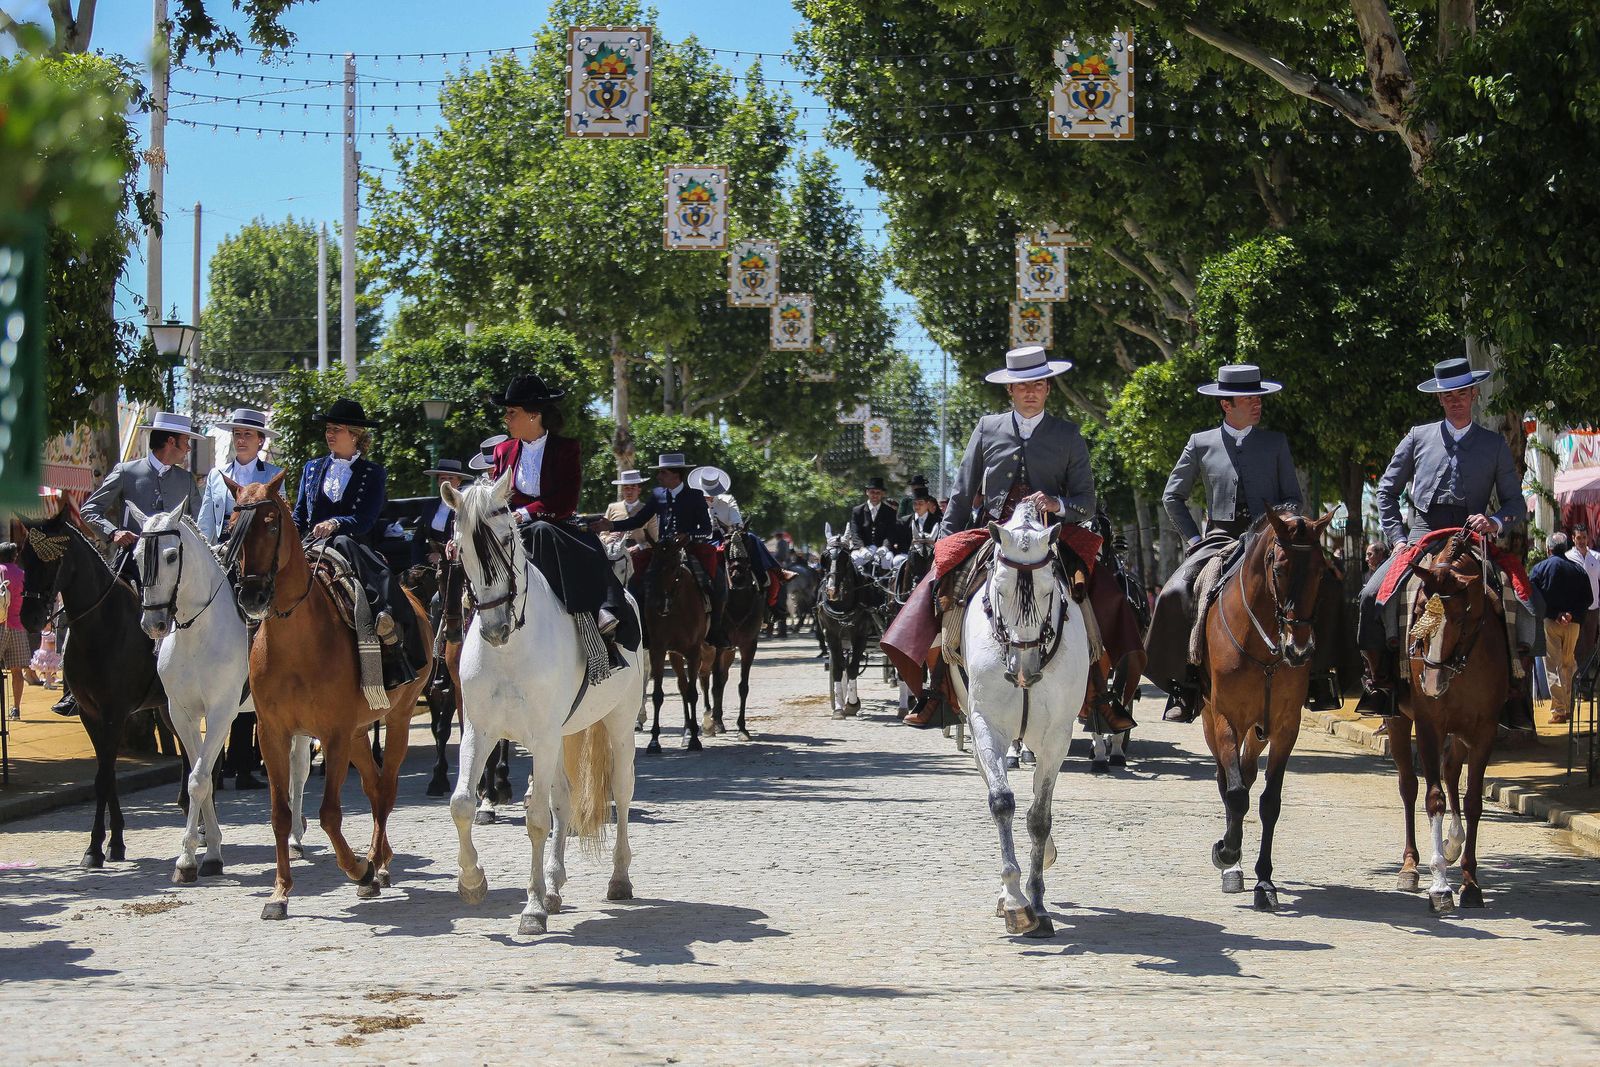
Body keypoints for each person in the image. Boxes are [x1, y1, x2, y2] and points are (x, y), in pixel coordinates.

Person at [883, 345, 1131, 731]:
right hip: (995, 532)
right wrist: (946, 547)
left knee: (1095, 592)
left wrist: (1057, 503)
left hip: (1051, 536)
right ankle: (937, 690)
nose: (1030, 391)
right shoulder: (986, 428)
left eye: (1037, 384)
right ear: (1010, 391)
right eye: (1022, 385)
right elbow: (963, 494)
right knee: (942, 591)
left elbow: (1086, 501)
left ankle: (1099, 692)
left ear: (1048, 388)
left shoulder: (1068, 434)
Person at [1358, 358, 1530, 711]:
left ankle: (1514, 692)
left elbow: (1515, 503)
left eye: (1461, 393)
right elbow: (1386, 491)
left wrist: (1495, 522)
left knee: (1524, 601)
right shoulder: (1417, 437)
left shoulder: (1494, 445)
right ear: (1439, 399)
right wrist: (1398, 538)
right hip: (1421, 537)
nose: (1455, 400)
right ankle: (1382, 684)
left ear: (1473, 394)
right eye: (1447, 394)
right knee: (1370, 597)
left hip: (1472, 540)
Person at [1144, 365, 1302, 723]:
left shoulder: (1275, 442)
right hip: (1220, 538)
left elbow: (1294, 498)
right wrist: (1195, 538)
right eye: (1249, 398)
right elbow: (1173, 496)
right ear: (1226, 405)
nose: (1257, 403)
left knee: (1316, 586)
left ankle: (1319, 677)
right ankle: (1183, 684)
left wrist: (1279, 522)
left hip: (1268, 538)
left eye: (1259, 397)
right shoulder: (1201, 442)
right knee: (1174, 593)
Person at [61, 411, 203, 717]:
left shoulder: (186, 480)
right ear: (170, 442)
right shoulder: (127, 471)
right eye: (186, 443)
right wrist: (114, 532)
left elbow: (199, 524)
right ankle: (71, 688)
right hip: (131, 562)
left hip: (175, 567)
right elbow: (90, 510)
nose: (188, 449)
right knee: (89, 608)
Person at [487, 374, 637, 658]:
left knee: (557, 535)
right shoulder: (502, 450)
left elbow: (565, 501)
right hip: (511, 529)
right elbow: (497, 495)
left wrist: (525, 514)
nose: (506, 419)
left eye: (511, 412)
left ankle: (599, 612)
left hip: (555, 524)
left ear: (534, 415)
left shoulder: (566, 449)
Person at [291, 397, 424, 689]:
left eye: (336, 429)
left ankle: (388, 639)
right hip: (311, 544)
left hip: (351, 544)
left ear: (355, 435)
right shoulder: (311, 468)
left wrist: (336, 523)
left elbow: (364, 519)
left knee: (382, 582)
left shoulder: (373, 473)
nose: (329, 434)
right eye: (328, 428)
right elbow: (300, 515)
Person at [597, 451, 728, 647]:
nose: (659, 477)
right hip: (663, 551)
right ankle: (643, 631)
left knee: (717, 582)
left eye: (663, 473)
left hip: (689, 549)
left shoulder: (694, 495)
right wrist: (612, 526)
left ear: (675, 475)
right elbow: (638, 520)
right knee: (637, 583)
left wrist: (689, 535)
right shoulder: (658, 495)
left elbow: (706, 529)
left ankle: (715, 631)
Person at [689, 466, 783, 607]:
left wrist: (732, 531)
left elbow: (736, 521)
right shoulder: (693, 502)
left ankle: (767, 574)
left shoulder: (728, 500)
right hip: (703, 538)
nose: (707, 495)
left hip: (727, 536)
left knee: (751, 538)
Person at [1531, 532, 1594, 725]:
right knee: (1568, 663)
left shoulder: (1539, 568)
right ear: (1566, 547)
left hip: (1550, 622)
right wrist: (1571, 614)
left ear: (1549, 549)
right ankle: (1568, 707)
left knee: (1553, 665)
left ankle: (1559, 710)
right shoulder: (1578, 570)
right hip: (1573, 624)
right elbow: (1588, 599)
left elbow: (1533, 598)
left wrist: (1555, 614)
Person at [198, 408, 283, 543]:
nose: (241, 439)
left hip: (257, 547)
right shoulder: (216, 474)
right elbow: (206, 520)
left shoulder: (273, 474)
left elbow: (281, 518)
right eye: (237, 434)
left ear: (260, 440)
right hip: (221, 545)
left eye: (248, 434)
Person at [0, 543, 27, 722]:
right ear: (15, 556)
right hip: (17, 625)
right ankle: (16, 708)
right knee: (17, 671)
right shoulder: (23, 575)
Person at [1567, 524, 1600, 671]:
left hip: (1593, 609)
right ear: (1573, 538)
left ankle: (1586, 680)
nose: (1581, 541)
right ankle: (1577, 678)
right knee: (1576, 645)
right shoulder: (1568, 557)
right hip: (1576, 610)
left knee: (1590, 644)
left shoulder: (1597, 557)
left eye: (1584, 537)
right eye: (1578, 538)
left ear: (1588, 538)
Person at [851, 476, 902, 550]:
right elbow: (855, 532)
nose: (875, 495)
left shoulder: (890, 512)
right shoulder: (857, 511)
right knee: (856, 559)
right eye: (872, 492)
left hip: (883, 549)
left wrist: (884, 547)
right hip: (862, 549)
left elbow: (891, 533)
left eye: (878, 492)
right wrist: (861, 548)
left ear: (883, 494)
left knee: (888, 559)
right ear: (867, 492)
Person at [30, 625, 60, 690]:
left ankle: (47, 682)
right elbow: (50, 644)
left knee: (47, 671)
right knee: (48, 670)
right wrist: (56, 644)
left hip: (43, 652)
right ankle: (48, 683)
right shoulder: (49, 634)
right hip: (48, 653)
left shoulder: (43, 632)